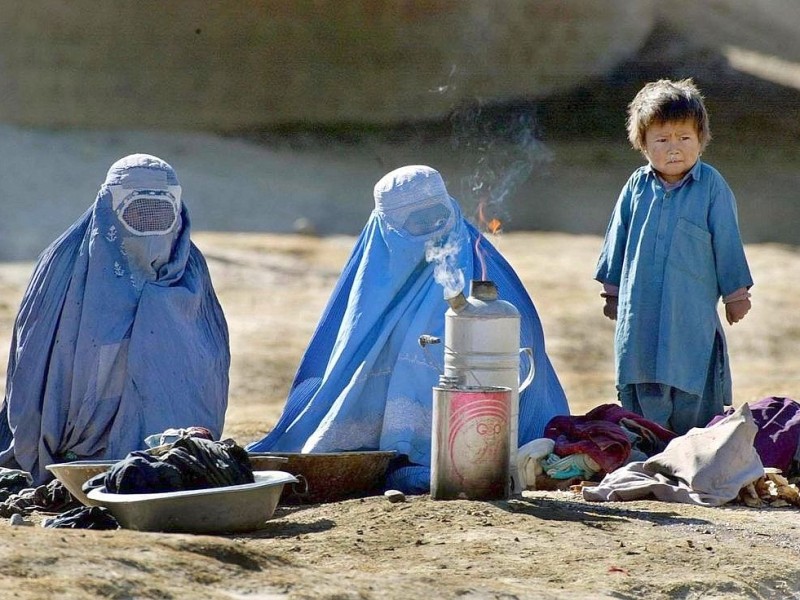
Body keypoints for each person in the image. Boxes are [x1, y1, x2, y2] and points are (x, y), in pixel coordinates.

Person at [247, 164, 569, 492]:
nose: (431, 230)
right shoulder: (375, 270)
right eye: (416, 222)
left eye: (436, 217)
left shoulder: (483, 266)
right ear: (386, 225)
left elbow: (520, 362)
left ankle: (417, 454)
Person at [0, 154, 230, 484]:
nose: (150, 227)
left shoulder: (188, 271)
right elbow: (32, 366)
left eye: (160, 213)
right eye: (138, 212)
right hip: (74, 449)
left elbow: (206, 367)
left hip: (168, 452)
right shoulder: (63, 267)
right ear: (109, 207)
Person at [594, 78, 753, 435]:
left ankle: (689, 446)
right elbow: (616, 240)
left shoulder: (712, 187)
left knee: (690, 374)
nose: (674, 149)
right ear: (643, 144)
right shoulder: (636, 186)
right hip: (641, 312)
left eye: (684, 138)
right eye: (662, 140)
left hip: (689, 314)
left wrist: (736, 295)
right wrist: (612, 292)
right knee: (640, 371)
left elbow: (727, 243)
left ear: (701, 140)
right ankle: (647, 445)